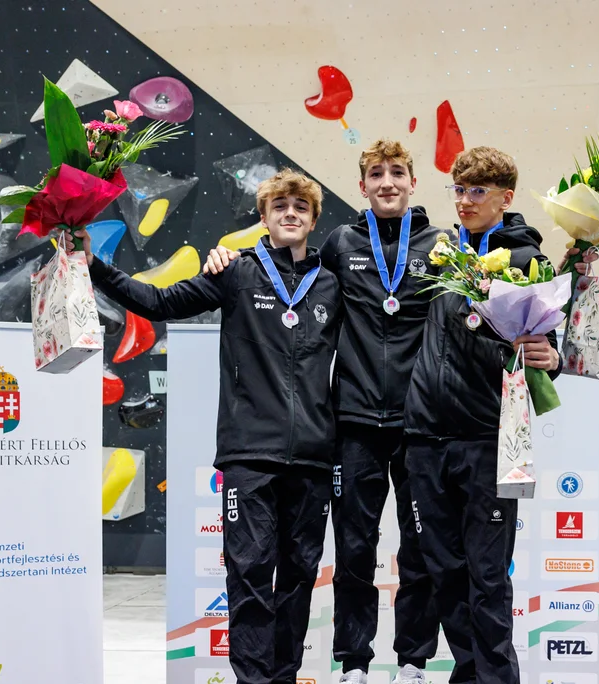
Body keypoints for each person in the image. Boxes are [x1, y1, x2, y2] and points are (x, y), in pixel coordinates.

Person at [71, 169, 343, 684]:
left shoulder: (331, 283)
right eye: (280, 206)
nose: (290, 213)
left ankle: (283, 677)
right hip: (249, 455)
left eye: (301, 207)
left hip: (312, 455)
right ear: (263, 217)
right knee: (250, 576)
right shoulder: (236, 272)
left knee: (298, 579)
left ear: (313, 220)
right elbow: (158, 302)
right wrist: (94, 265)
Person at [205, 139, 443, 684]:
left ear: (413, 182)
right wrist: (226, 255)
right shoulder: (341, 242)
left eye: (397, 173)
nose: (387, 182)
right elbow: (299, 278)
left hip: (418, 422)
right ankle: (354, 662)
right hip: (352, 421)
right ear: (361, 185)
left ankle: (413, 660)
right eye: (376, 173)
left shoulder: (439, 245)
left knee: (420, 546)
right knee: (354, 549)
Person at [403, 146, 562, 684]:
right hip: (425, 434)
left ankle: (495, 678)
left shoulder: (526, 262)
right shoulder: (443, 254)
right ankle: (471, 672)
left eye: (477, 191)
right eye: (459, 189)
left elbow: (551, 348)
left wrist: (553, 357)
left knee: (487, 575)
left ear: (505, 197)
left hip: (487, 437)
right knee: (444, 570)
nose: (465, 201)